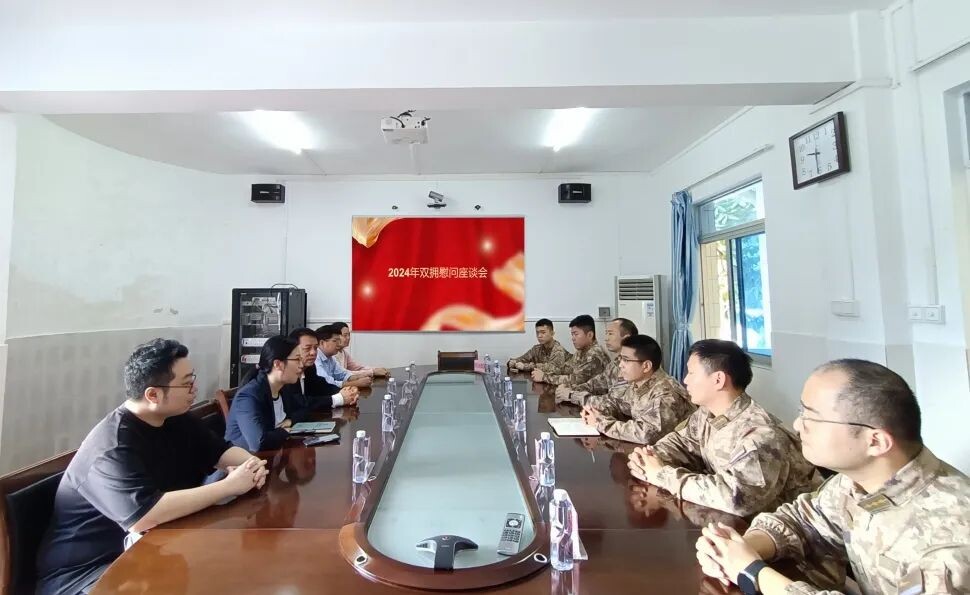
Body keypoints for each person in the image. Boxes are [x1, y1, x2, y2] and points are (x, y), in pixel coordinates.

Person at [695, 359, 970, 595]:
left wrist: (753, 572)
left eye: (812, 417)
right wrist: (736, 549)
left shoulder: (949, 541)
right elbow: (803, 520)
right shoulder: (856, 483)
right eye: (802, 411)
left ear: (875, 441)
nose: (797, 425)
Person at [36, 339, 268, 595]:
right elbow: (144, 516)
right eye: (186, 383)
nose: (195, 388)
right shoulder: (112, 445)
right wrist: (229, 486)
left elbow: (221, 451)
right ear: (153, 395)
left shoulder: (176, 419)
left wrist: (252, 465)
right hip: (89, 574)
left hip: (150, 550)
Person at [628, 339, 820, 517]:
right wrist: (649, 457)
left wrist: (661, 475)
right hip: (729, 523)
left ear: (718, 380)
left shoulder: (760, 434)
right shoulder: (707, 413)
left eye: (692, 373)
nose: (685, 380)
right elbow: (681, 442)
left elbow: (735, 498)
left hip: (777, 533)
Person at [580, 334, 694, 444]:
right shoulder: (638, 384)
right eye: (620, 359)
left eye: (626, 360)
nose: (620, 365)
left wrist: (600, 423)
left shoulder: (666, 393)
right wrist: (595, 411)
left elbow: (647, 434)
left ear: (646, 366)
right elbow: (619, 404)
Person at [224, 336, 304, 452]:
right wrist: (285, 431)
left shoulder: (282, 388)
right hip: (245, 460)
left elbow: (304, 409)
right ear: (278, 364)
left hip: (273, 455)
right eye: (297, 359)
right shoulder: (249, 396)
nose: (301, 365)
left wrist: (290, 421)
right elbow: (258, 443)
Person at [557, 317, 637, 406]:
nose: (606, 338)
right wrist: (569, 389)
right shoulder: (615, 363)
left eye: (611, 334)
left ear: (626, 338)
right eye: (606, 333)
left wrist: (571, 395)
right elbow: (595, 384)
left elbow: (614, 403)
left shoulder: (633, 367)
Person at [282, 328, 359, 418]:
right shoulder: (286, 372)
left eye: (315, 348)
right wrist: (338, 399)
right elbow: (298, 403)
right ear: (293, 350)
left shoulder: (309, 367)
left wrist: (347, 392)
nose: (313, 353)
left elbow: (322, 387)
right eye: (307, 348)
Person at [531, 314, 610, 387]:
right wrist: (543, 372)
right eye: (572, 334)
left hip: (594, 396)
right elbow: (564, 369)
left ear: (590, 335)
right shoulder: (581, 351)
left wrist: (544, 377)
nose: (573, 338)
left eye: (576, 334)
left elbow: (575, 380)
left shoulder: (594, 354)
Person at [315, 324, 373, 388]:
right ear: (322, 343)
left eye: (339, 340)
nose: (339, 344)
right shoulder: (315, 358)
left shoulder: (330, 357)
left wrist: (358, 377)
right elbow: (327, 383)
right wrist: (356, 383)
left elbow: (342, 374)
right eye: (335, 341)